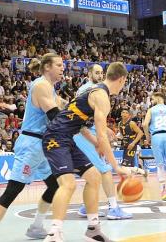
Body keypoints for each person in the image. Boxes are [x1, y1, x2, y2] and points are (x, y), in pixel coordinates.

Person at [42, 62, 131, 242]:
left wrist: (94, 143)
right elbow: (103, 135)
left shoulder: (94, 91)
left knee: (94, 177)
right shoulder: (102, 97)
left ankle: (93, 229)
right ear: (121, 80)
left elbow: (80, 124)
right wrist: (117, 167)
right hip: (56, 138)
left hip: (67, 137)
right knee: (68, 184)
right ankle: (54, 233)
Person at [0, 54, 65, 241]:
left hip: (42, 145)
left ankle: (36, 227)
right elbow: (56, 116)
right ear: (47, 67)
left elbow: (62, 109)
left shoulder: (50, 88)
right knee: (13, 190)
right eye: (59, 65)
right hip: (31, 145)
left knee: (56, 186)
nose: (62, 68)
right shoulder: (41, 85)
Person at [72, 64, 132, 220]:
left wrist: (104, 130)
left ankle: (87, 206)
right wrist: (116, 166)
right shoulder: (94, 91)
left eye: (101, 72)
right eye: (96, 72)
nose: (99, 75)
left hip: (82, 131)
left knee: (95, 171)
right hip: (78, 133)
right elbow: (82, 123)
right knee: (105, 170)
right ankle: (113, 208)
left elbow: (87, 119)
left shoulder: (99, 90)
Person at [118, 108, 146, 175]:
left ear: (129, 115)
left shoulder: (131, 123)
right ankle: (143, 172)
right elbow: (122, 135)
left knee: (124, 166)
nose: (124, 114)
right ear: (121, 114)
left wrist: (133, 143)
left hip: (132, 145)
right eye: (123, 112)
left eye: (126, 113)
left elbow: (140, 133)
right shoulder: (119, 124)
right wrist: (116, 138)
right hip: (125, 145)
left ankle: (129, 181)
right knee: (130, 166)